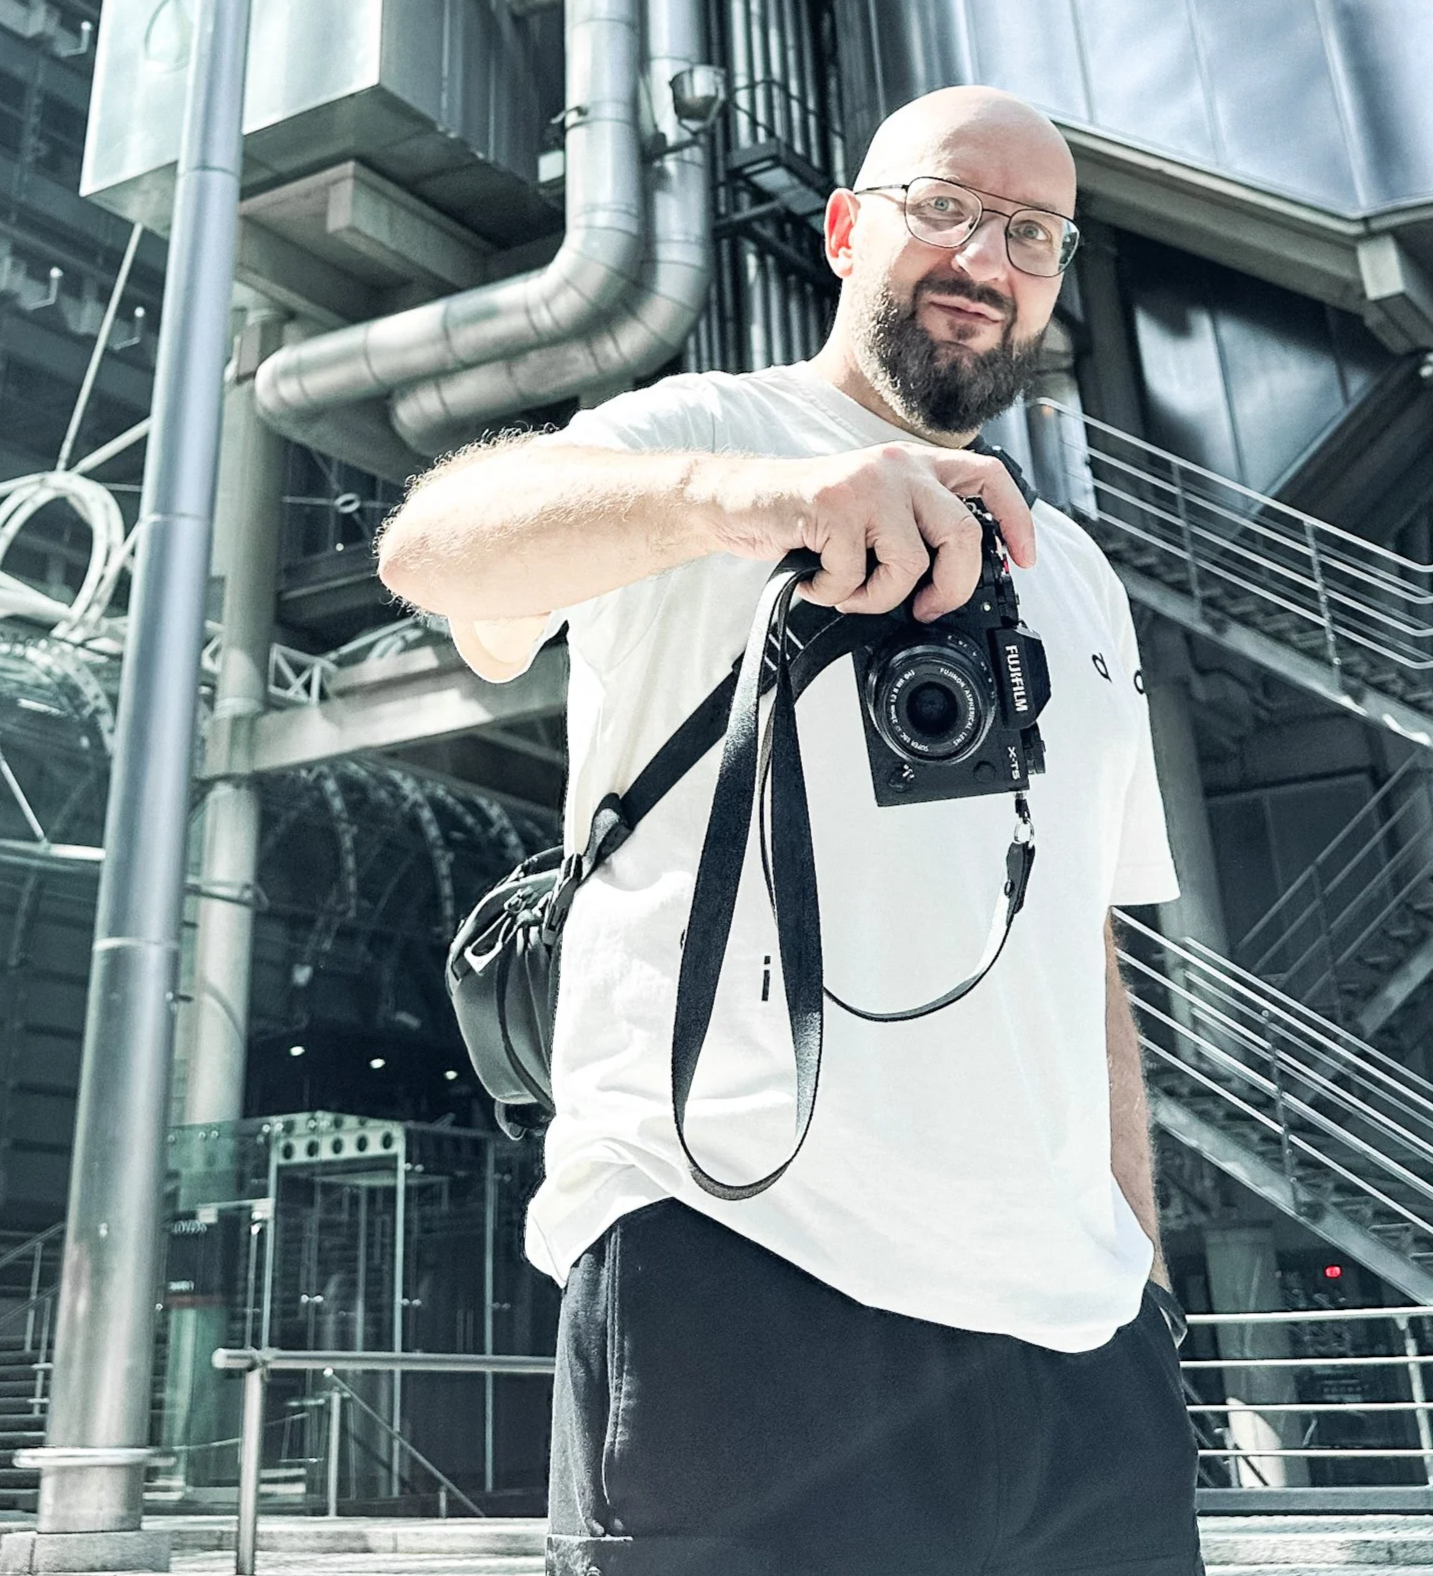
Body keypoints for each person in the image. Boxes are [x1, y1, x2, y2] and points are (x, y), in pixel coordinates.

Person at [378, 86, 1203, 1576]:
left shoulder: (1074, 570)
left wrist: (1139, 1263)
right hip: (741, 1278)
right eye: (942, 207)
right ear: (844, 229)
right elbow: (438, 552)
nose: (983, 255)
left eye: (1029, 233)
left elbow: (1081, 945)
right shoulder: (715, 433)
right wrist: (754, 499)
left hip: (1080, 1351)